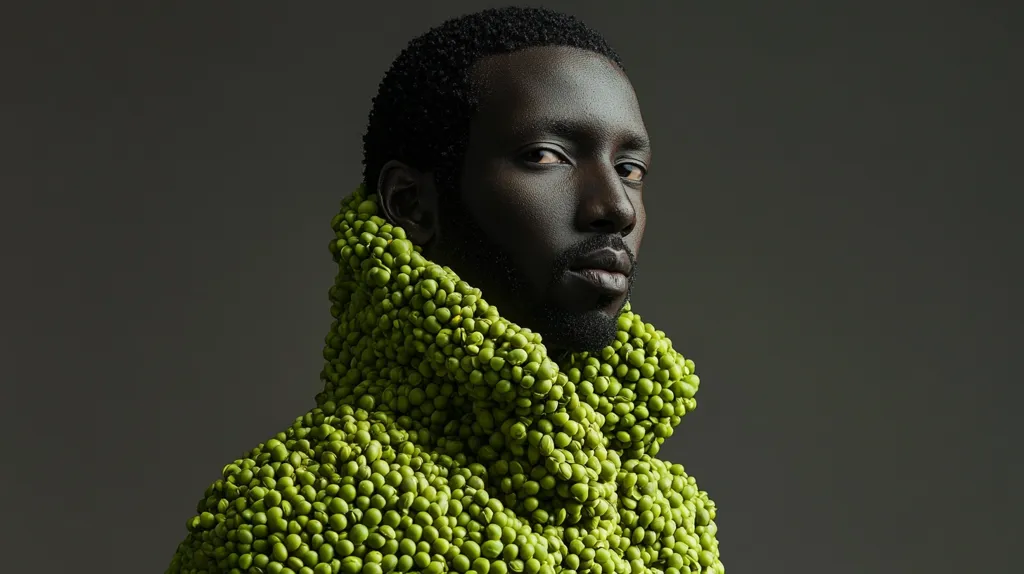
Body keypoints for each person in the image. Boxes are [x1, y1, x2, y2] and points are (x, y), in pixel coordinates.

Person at [167, 7, 724, 574]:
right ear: (412, 204)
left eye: (630, 167)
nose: (616, 207)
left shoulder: (672, 522)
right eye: (546, 156)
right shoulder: (277, 520)